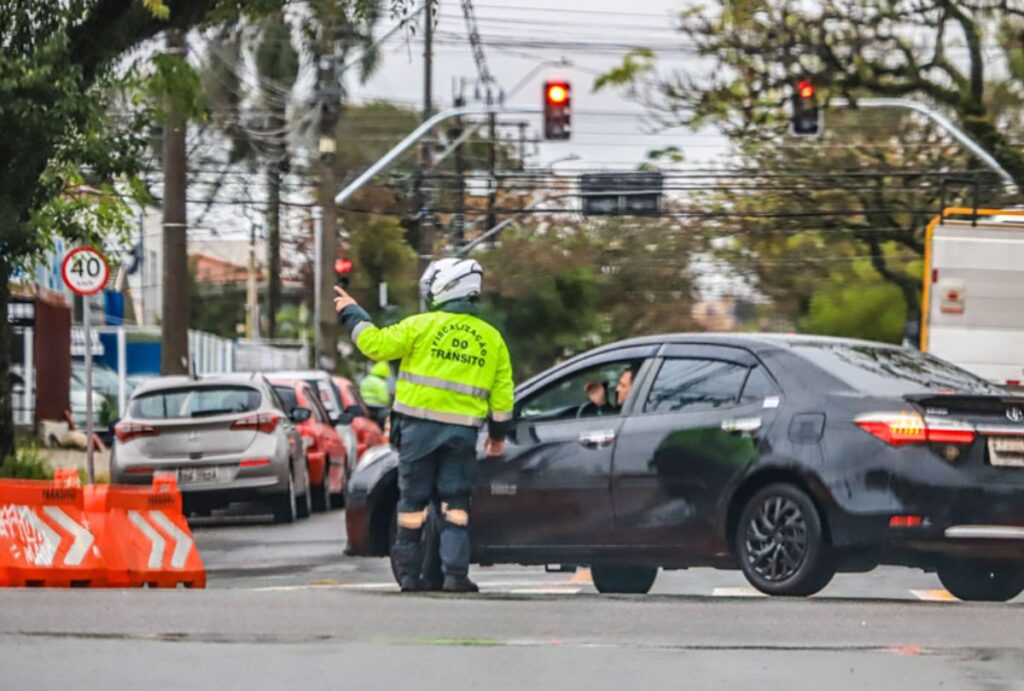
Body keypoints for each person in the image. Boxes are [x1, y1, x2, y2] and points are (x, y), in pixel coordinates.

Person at [334, 258, 514, 593]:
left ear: (444, 288)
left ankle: (410, 576)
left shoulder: (421, 325)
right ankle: (455, 576)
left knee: (412, 505)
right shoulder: (492, 339)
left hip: (417, 432)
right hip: (462, 435)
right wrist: (499, 436)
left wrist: (353, 313)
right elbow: (502, 396)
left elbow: (375, 345)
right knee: (456, 506)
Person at [359, 361, 392, 428]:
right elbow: (384, 399)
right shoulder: (381, 383)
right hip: (379, 409)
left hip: (364, 407)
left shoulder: (365, 380)